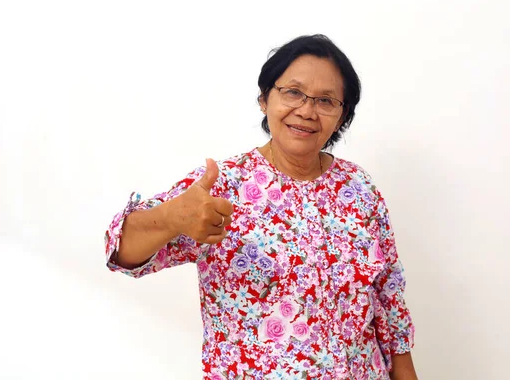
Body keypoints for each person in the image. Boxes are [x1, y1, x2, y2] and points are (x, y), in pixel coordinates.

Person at [104, 34, 417, 380]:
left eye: (326, 100)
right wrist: (169, 217)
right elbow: (120, 252)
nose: (307, 111)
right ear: (265, 98)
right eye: (293, 92)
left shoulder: (359, 188)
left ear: (342, 116)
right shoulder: (222, 187)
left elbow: (388, 300)